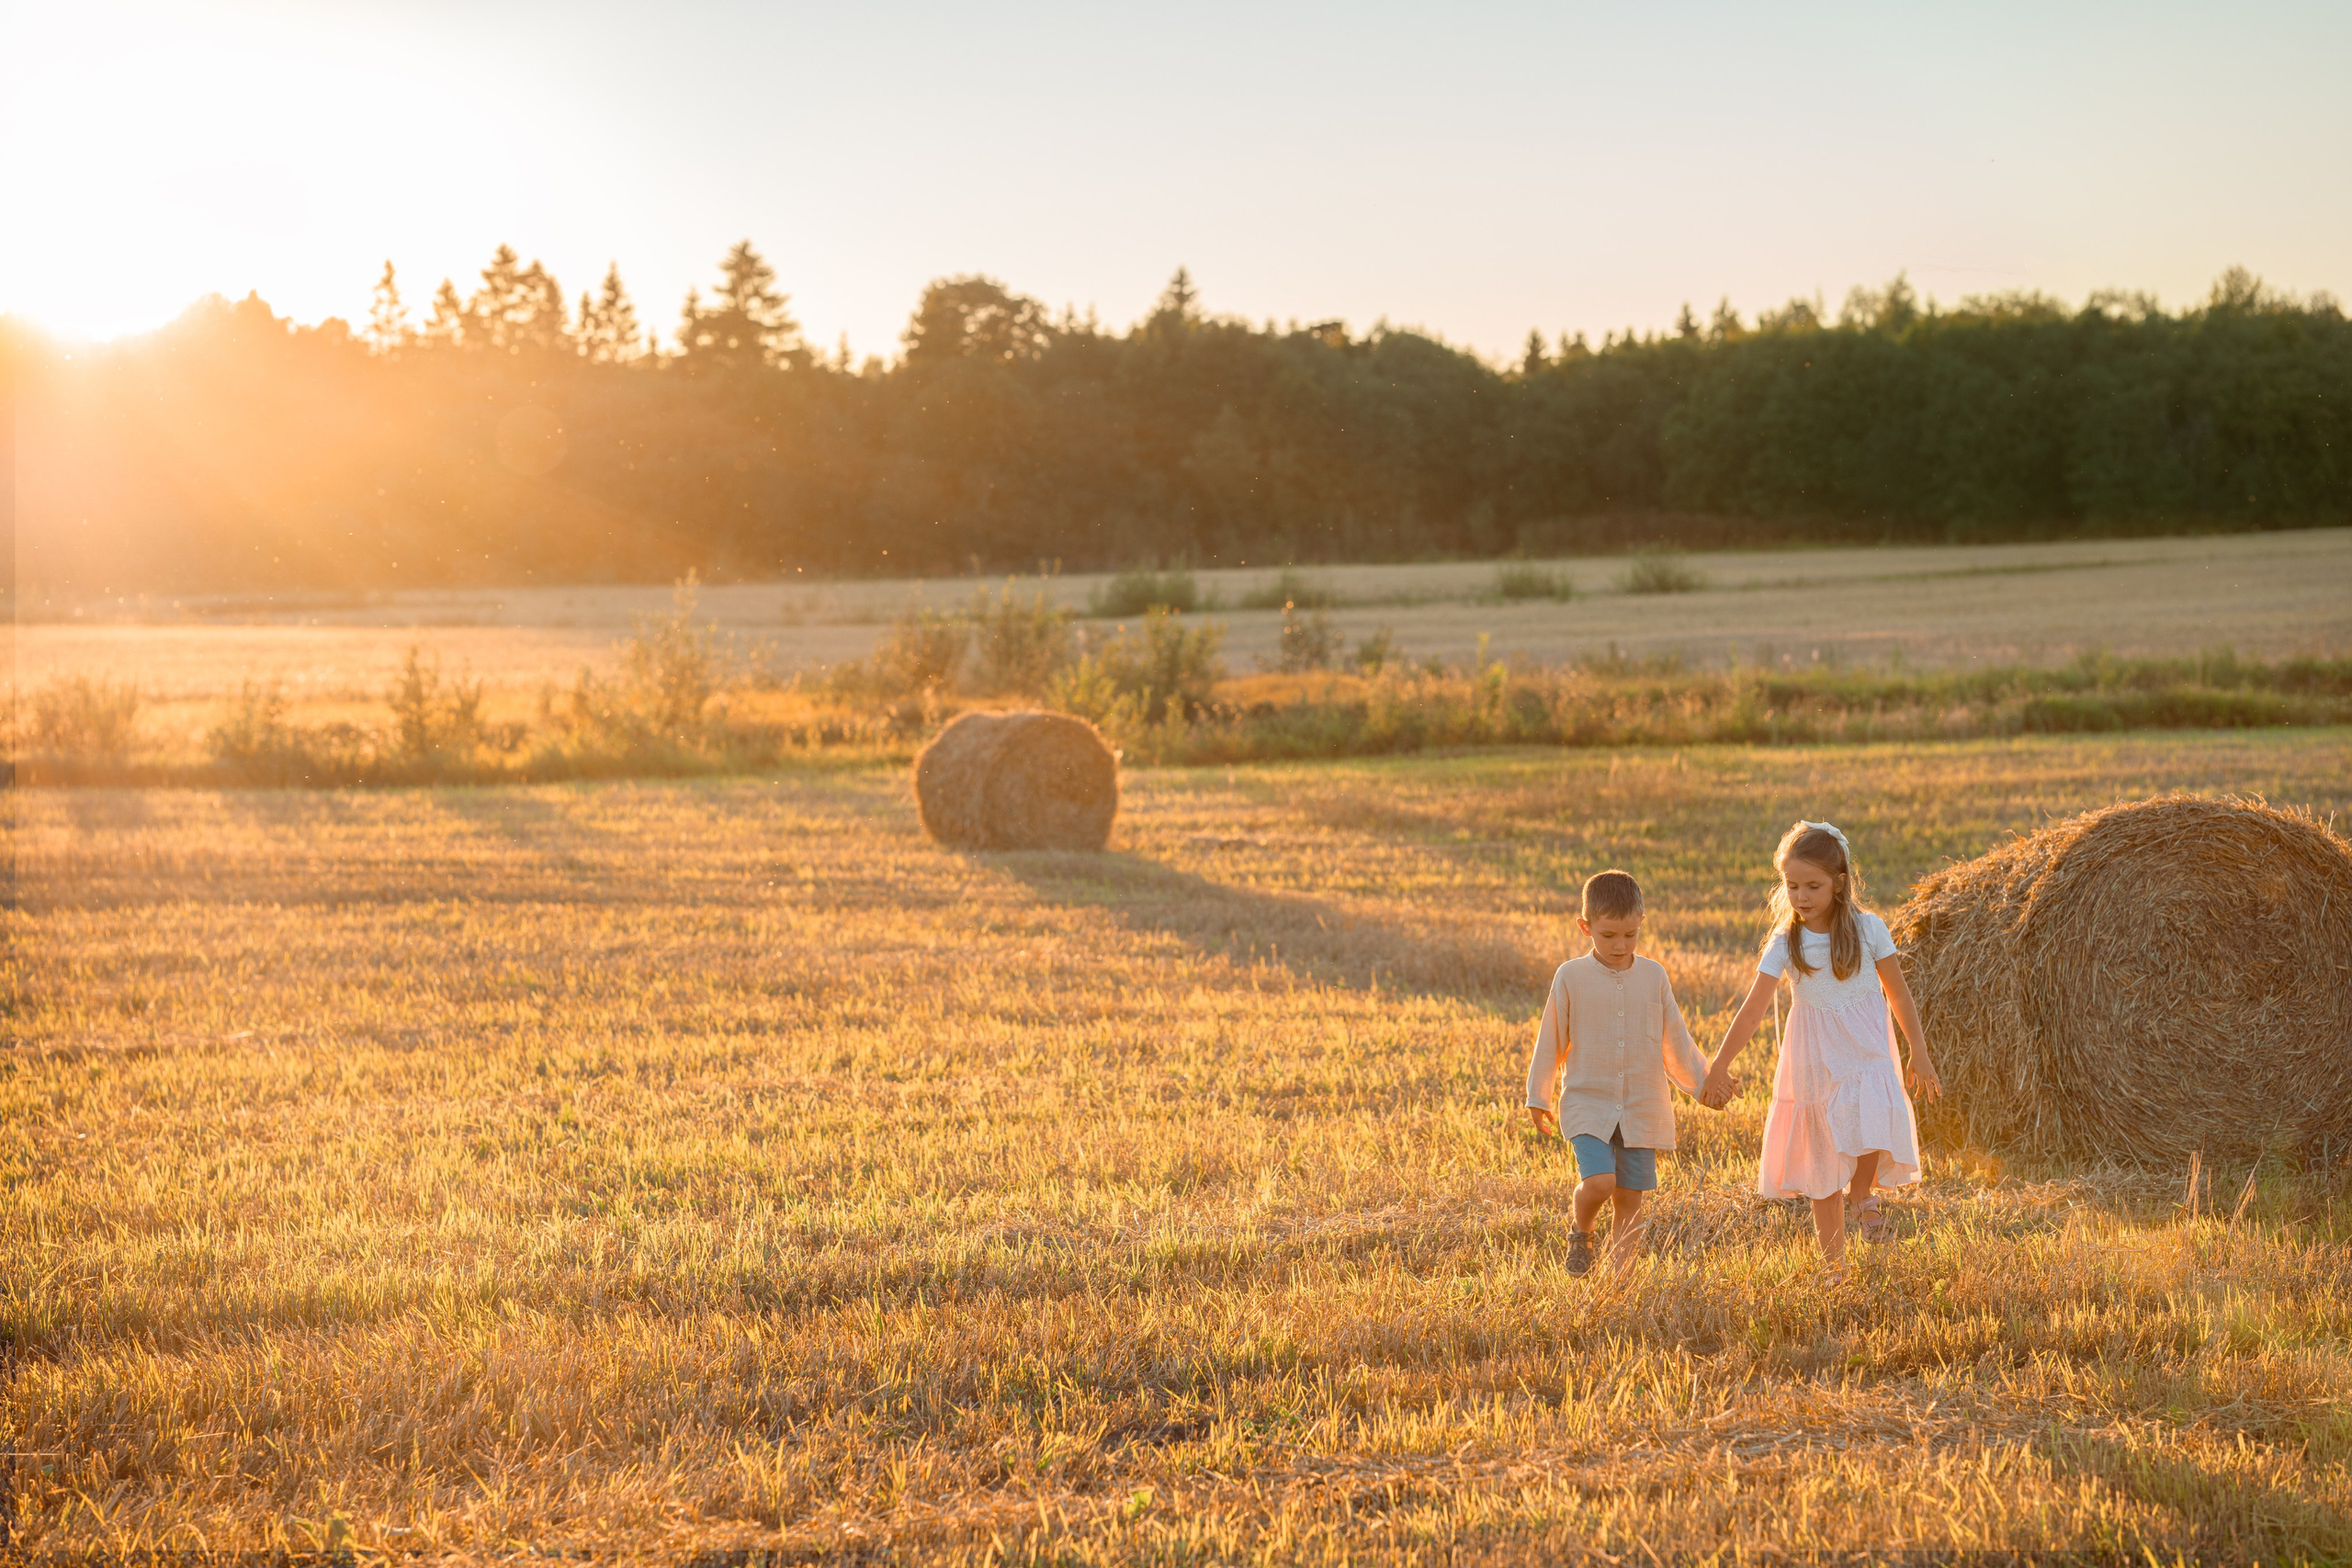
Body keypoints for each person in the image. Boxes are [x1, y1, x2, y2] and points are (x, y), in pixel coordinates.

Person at [1701, 821, 1943, 1275]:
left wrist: (1919, 1051)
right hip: (1814, 1060)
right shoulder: (1786, 941)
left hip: (1866, 1048)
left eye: (1813, 885)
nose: (1802, 896)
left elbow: (1899, 993)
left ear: (1839, 882)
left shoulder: (1869, 929)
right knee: (1821, 1164)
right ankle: (1834, 1267)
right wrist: (1720, 1063)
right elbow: (1753, 1009)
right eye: (1792, 886)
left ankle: (1863, 1192)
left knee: (1873, 1109)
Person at [1524, 869, 1711, 1275]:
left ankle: (1618, 1281)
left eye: (1630, 935)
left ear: (1641, 922)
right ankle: (1581, 1231)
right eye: (1608, 936)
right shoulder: (1570, 976)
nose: (1620, 945)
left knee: (1630, 1197)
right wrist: (1538, 1098)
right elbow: (1550, 1039)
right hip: (1588, 1102)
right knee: (1600, 1183)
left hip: (1642, 1105)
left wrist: (1706, 1082)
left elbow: (1675, 1038)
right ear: (1585, 927)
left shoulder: (1653, 976)